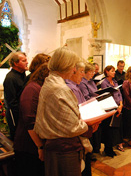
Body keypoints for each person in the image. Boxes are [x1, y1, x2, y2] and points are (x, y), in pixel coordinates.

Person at [34, 47, 94, 176]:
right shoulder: (60, 88)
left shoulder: (50, 82)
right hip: (64, 150)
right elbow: (73, 127)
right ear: (66, 66)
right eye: (73, 66)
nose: (74, 70)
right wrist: (89, 124)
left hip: (55, 147)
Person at [13, 63, 49, 176]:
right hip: (28, 146)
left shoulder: (38, 87)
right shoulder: (32, 89)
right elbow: (30, 121)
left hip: (33, 145)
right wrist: (40, 146)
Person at [65, 61, 99, 176]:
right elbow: (78, 109)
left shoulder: (75, 85)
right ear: (73, 71)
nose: (83, 74)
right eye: (81, 72)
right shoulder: (71, 87)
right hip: (79, 128)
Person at [3, 52, 28, 140]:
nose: (27, 62)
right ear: (16, 63)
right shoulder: (10, 78)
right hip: (15, 114)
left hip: (23, 113)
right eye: (24, 61)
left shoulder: (23, 75)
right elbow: (11, 102)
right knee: (17, 137)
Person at [101, 65, 123, 157]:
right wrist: (115, 107)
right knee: (108, 130)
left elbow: (119, 94)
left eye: (114, 71)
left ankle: (111, 147)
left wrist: (121, 105)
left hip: (118, 107)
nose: (114, 72)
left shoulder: (115, 82)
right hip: (110, 108)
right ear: (107, 72)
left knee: (115, 129)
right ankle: (107, 149)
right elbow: (107, 97)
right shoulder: (104, 83)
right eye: (112, 71)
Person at [79, 63, 101, 155]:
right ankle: (90, 152)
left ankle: (96, 148)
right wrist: (97, 98)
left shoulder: (91, 81)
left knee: (97, 130)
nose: (92, 74)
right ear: (85, 72)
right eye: (90, 72)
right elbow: (86, 97)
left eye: (93, 72)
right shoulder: (82, 82)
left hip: (95, 105)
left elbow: (94, 93)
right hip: (89, 107)